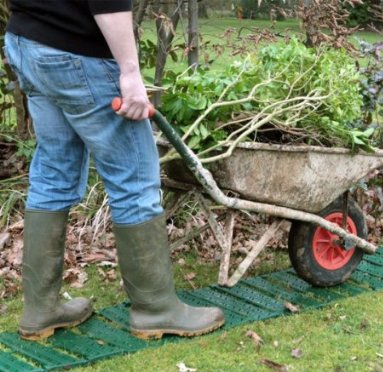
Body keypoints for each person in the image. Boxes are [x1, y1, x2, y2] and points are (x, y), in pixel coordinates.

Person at [5, 0, 224, 341]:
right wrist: (130, 72)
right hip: (77, 53)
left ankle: (40, 310)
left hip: (28, 44)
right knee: (133, 178)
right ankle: (156, 310)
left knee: (53, 172)